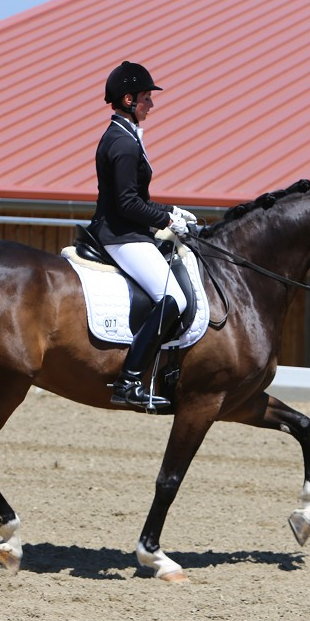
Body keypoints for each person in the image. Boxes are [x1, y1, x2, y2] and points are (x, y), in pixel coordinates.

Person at [88, 61, 197, 410]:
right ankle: (130, 381)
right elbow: (126, 203)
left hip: (129, 230)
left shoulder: (127, 135)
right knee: (173, 298)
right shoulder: (122, 142)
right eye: (147, 98)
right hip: (120, 235)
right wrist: (167, 218)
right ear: (128, 99)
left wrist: (173, 213)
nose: (152, 105)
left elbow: (139, 198)